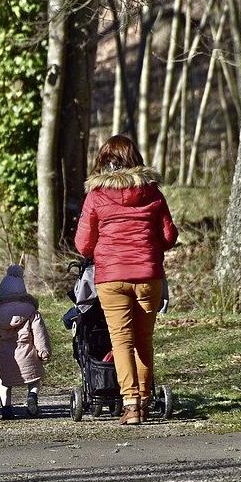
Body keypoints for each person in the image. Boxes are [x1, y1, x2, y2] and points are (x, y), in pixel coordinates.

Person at [74, 135, 178, 425]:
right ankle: (145, 401)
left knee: (121, 340)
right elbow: (169, 237)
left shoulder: (96, 196)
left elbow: (83, 244)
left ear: (103, 161)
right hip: (147, 276)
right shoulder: (153, 193)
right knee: (144, 341)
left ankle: (131, 404)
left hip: (112, 278)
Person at [0, 265, 52, 419]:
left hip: (6, 358)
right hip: (29, 355)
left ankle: (6, 409)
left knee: (5, 384)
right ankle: (32, 397)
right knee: (34, 380)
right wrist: (43, 351)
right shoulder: (32, 313)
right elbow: (39, 334)